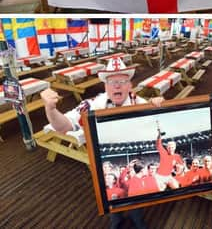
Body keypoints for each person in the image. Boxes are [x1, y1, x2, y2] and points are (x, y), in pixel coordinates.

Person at [40, 57, 162, 229]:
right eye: (112, 82)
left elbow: (158, 123)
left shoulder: (140, 102)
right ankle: (117, 221)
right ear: (105, 87)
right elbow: (64, 126)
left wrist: (160, 107)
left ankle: (137, 219)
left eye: (122, 81)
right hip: (105, 163)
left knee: (135, 193)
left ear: (130, 85)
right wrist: (50, 109)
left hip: (133, 160)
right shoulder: (91, 104)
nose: (117, 86)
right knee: (111, 193)